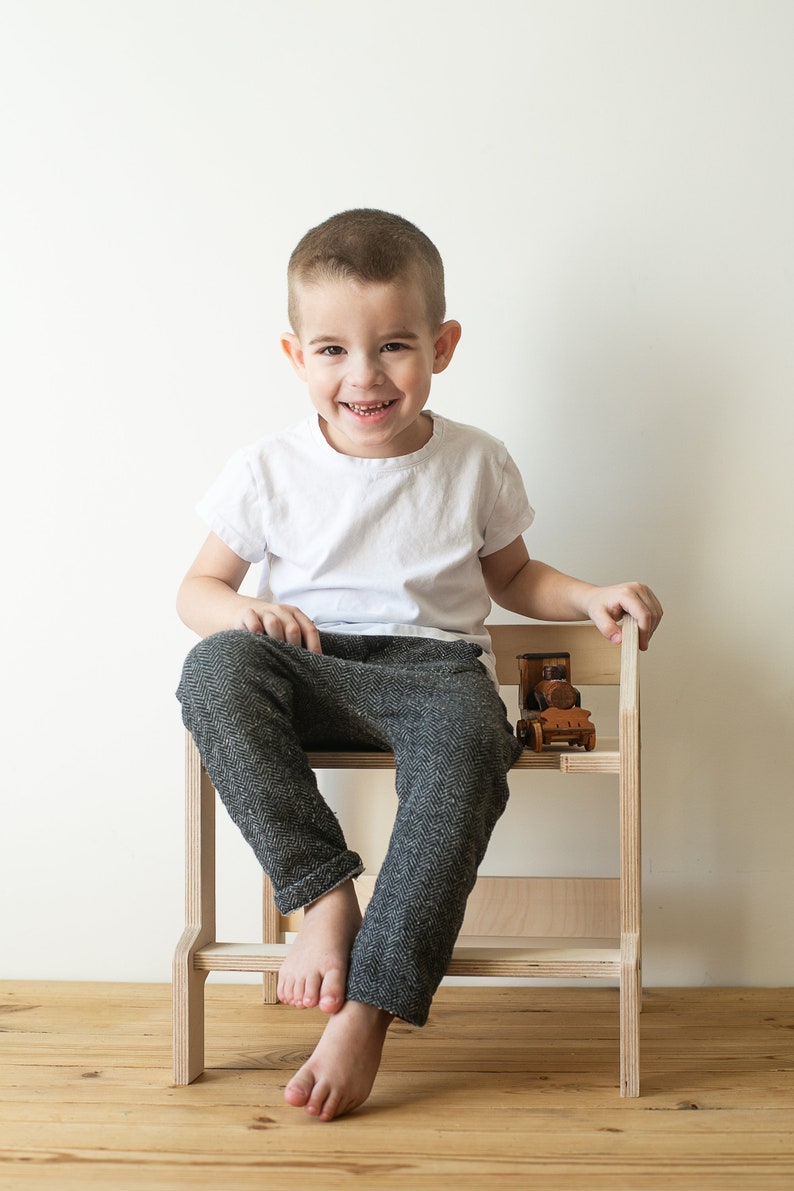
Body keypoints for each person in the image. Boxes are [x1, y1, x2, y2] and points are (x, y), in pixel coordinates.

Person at [176, 208, 662, 1122]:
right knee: (212, 672)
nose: (362, 376)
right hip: (306, 662)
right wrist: (242, 610)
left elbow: (513, 576)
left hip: (435, 674)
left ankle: (369, 1008)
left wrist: (589, 593)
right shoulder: (265, 468)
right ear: (295, 356)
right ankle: (322, 896)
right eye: (332, 350)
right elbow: (197, 589)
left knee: (475, 748)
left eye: (393, 345)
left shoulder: (476, 461)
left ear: (442, 345)